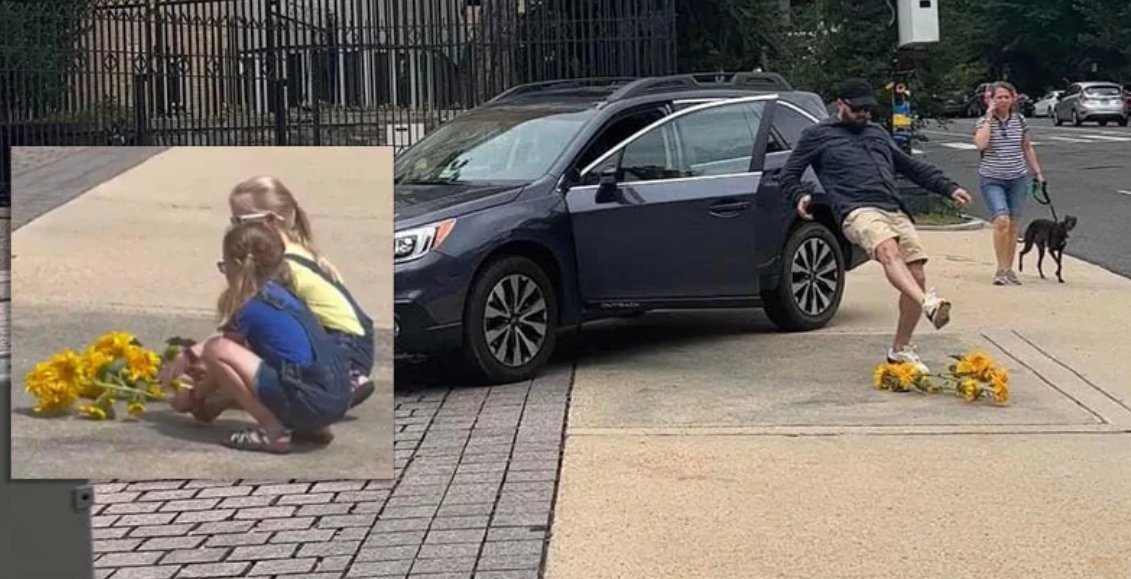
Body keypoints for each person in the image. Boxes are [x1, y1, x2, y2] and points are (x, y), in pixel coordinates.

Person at [780, 78, 974, 373]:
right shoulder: (817, 135)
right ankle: (928, 303)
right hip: (856, 209)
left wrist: (947, 187)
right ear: (841, 105)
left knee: (917, 272)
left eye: (868, 110)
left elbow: (909, 166)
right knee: (887, 250)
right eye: (858, 110)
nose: (864, 115)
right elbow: (789, 174)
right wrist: (800, 195)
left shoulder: (877, 133)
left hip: (893, 207)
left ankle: (900, 349)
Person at [170, 221, 353, 453]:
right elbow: (240, 373)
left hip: (308, 401)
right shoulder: (286, 295)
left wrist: (194, 396)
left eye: (223, 265)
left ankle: (272, 431)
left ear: (236, 265)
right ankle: (313, 427)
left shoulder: (250, 307)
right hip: (335, 398)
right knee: (244, 354)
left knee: (217, 348)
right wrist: (214, 404)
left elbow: (221, 360)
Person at [226, 175, 376, 404]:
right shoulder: (296, 247)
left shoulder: (279, 264)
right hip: (357, 340)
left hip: (343, 345)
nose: (233, 229)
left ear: (269, 221)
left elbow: (251, 316)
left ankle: (340, 380)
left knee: (260, 324)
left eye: (241, 221)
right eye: (232, 221)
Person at [972, 80, 1044, 285]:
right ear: (991, 100)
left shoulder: (1019, 120)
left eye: (1006, 97)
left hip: (1017, 178)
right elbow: (981, 144)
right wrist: (988, 115)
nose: (1003, 101)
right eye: (998, 97)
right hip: (992, 178)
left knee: (1013, 224)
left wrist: (1037, 172)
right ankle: (1000, 269)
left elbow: (1027, 147)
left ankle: (1009, 268)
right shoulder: (984, 122)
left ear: (1014, 98)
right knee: (1001, 220)